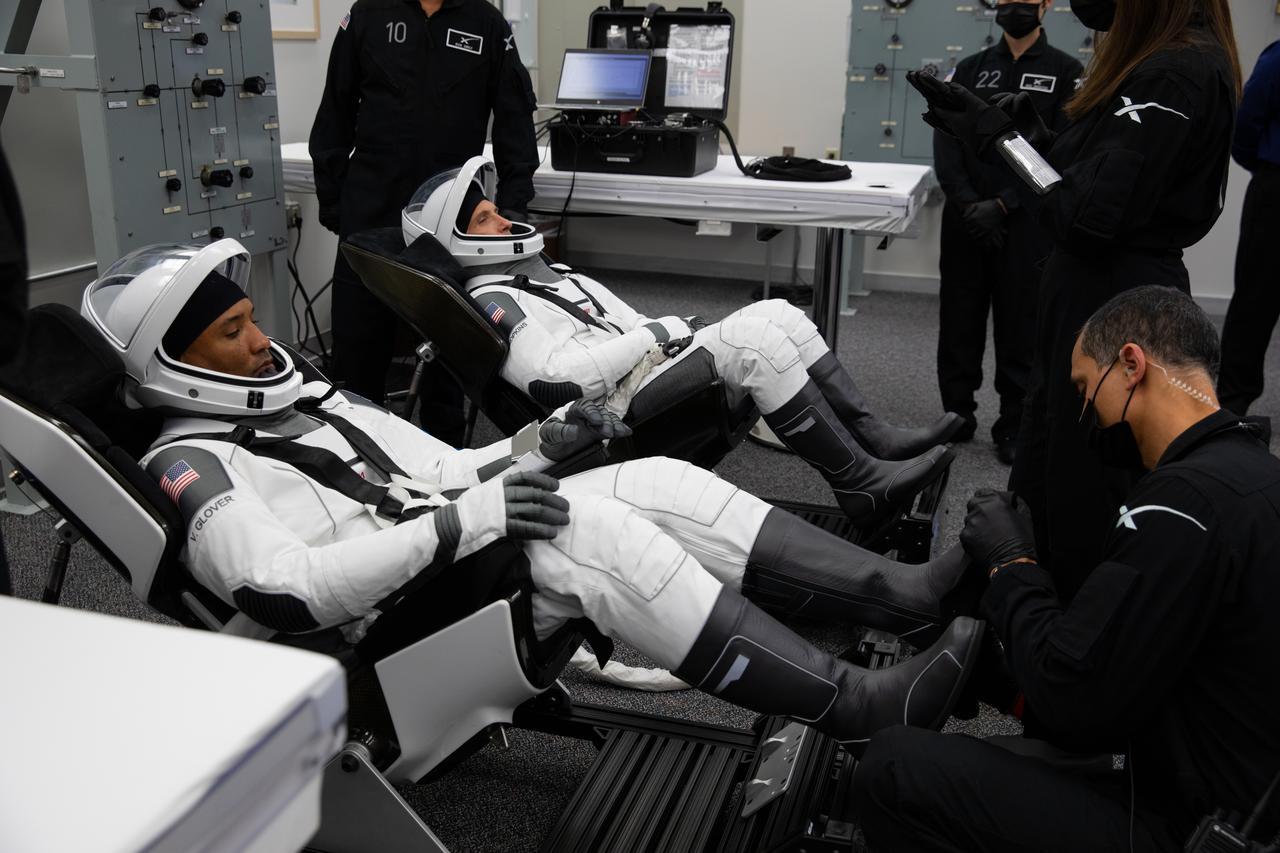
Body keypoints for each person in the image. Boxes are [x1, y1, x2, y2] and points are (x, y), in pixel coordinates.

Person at [80, 239, 986, 749]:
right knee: (585, 531)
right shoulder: (190, 464)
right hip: (380, 639)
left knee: (655, 482)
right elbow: (283, 589)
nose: (260, 341)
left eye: (249, 320)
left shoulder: (305, 394)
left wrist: (527, 449)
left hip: (439, 561)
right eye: (233, 332)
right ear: (173, 361)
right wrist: (462, 523)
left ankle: (895, 595)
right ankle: (855, 706)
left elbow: (439, 467)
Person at [852, 286, 1280, 852]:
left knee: (892, 767)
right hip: (1228, 797)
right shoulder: (1257, 480)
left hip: (1186, 828)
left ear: (1131, 364)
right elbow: (1146, 667)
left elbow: (1073, 699)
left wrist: (1012, 564)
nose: (1085, 414)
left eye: (1085, 389)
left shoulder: (1179, 504)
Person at [397, 157, 964, 529]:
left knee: (779, 312)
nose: (504, 221)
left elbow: (630, 324)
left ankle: (874, 439)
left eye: (497, 211)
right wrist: (660, 333)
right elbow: (556, 382)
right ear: (458, 240)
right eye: (486, 218)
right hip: (615, 412)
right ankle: (860, 485)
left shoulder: (549, 271)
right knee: (755, 341)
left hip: (648, 372)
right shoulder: (495, 300)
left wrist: (666, 335)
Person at [908, 0, 1241, 598]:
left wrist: (999, 140)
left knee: (1081, 475)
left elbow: (1083, 216)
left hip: (1112, 300)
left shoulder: (1170, 72)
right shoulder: (1160, 62)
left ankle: (1058, 626)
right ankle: (1016, 594)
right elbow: (1086, 179)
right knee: (1049, 451)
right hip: (1095, 296)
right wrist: (1029, 134)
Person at [309, 0, 539, 444]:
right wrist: (334, 201)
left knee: (445, 365)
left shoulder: (487, 24)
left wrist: (514, 207)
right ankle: (359, 461)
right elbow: (334, 112)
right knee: (357, 357)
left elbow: (515, 121)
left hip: (447, 220)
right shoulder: (367, 15)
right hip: (370, 213)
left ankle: (446, 465)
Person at [933, 0, 1082, 464]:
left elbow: (1062, 151)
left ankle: (1013, 424)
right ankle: (956, 414)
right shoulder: (971, 68)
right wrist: (968, 203)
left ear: (1047, 6)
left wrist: (1004, 205)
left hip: (1027, 223)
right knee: (959, 318)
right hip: (966, 220)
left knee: (1022, 324)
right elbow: (946, 139)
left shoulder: (1067, 72)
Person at [1216, 39, 1280, 415]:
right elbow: (1247, 122)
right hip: (1276, 189)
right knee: (1256, 297)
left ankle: (1233, 397)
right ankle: (1231, 402)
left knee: (1255, 298)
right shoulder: (1277, 58)